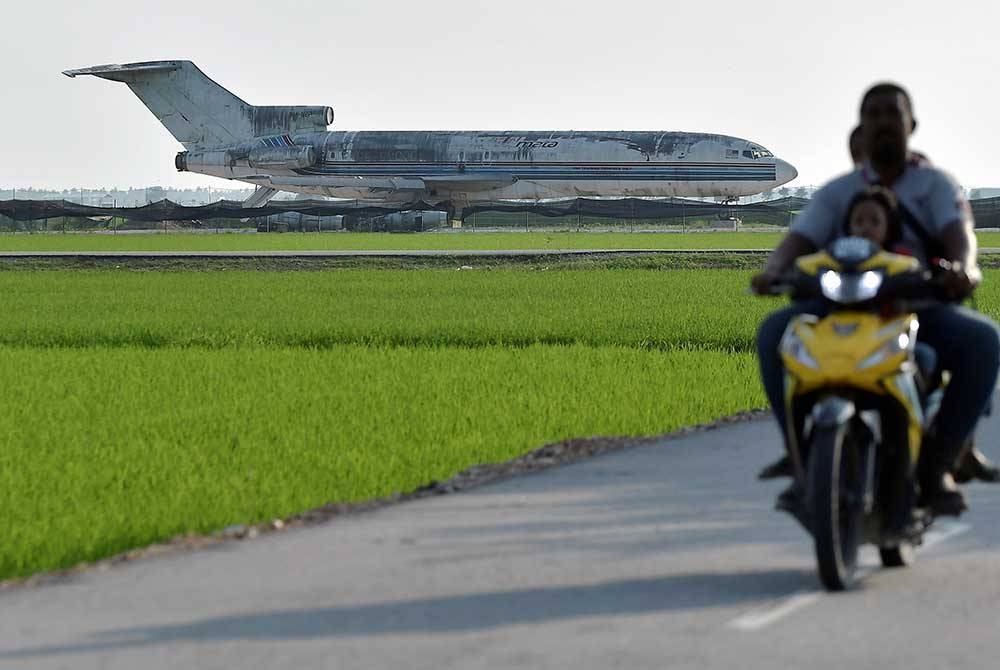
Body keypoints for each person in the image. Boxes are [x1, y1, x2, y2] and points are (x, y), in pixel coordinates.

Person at [751, 82, 1000, 516]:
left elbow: (959, 236)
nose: (884, 123)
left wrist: (963, 268)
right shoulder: (839, 191)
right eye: (874, 115)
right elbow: (799, 238)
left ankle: (937, 463)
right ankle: (799, 454)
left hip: (918, 305)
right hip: (843, 303)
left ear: (911, 125)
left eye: (893, 114)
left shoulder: (934, 186)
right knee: (775, 330)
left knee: (983, 341)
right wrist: (775, 270)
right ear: (861, 129)